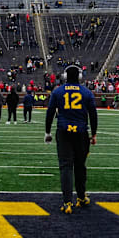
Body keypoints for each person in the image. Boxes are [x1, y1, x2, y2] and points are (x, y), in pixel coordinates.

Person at [44, 65, 98, 214]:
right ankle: (81, 197)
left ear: (65, 76)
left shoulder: (58, 91)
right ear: (80, 77)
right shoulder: (86, 92)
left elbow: (50, 113)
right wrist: (94, 134)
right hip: (81, 133)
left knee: (66, 167)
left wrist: (47, 132)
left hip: (63, 132)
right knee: (80, 166)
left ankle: (67, 202)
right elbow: (93, 115)